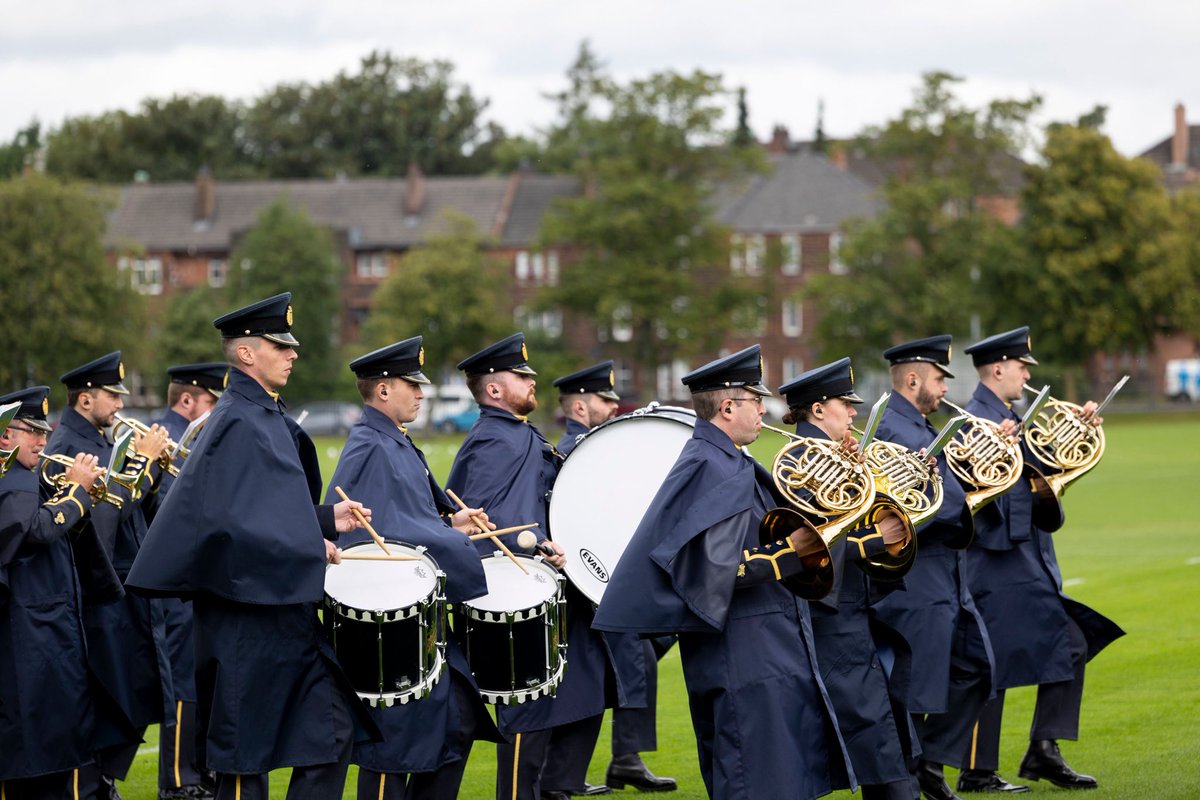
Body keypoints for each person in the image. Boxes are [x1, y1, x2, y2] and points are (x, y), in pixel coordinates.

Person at [126, 292, 378, 800]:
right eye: (279, 346)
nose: (293, 354)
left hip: (285, 616)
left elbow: (262, 508)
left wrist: (325, 520)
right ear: (246, 354)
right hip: (245, 624)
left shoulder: (261, 415)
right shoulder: (236, 420)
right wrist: (311, 543)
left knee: (332, 736)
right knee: (244, 766)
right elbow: (226, 527)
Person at [593, 345, 854, 800]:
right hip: (743, 654)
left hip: (769, 645)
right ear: (728, 407)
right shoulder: (705, 464)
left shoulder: (731, 460)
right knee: (754, 779)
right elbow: (706, 569)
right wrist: (794, 552)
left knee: (782, 775)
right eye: (756, 400)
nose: (764, 410)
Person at [323, 336, 503, 800]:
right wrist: (451, 541)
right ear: (384, 391)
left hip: (420, 622)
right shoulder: (369, 446)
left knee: (455, 726)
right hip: (388, 631)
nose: (421, 393)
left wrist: (448, 520)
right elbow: (368, 534)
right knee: (393, 748)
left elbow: (408, 516)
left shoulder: (395, 442)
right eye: (412, 384)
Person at [446, 333, 619, 800]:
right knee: (530, 719)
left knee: (585, 696)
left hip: (556, 594)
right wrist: (535, 548)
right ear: (495, 389)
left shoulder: (519, 434)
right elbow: (480, 524)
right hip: (518, 603)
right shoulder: (492, 441)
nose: (531, 381)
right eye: (521, 376)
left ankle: (556, 792)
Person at [954, 328, 1124, 793]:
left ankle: (1043, 749)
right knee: (993, 661)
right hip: (994, 558)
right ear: (998, 368)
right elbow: (980, 499)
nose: (1028, 373)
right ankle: (977, 768)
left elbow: (1044, 482)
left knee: (1069, 643)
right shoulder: (973, 421)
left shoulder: (1016, 416)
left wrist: (1079, 434)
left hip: (1028, 555)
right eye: (1021, 365)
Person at [778, 359, 918, 800]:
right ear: (818, 410)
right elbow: (812, 547)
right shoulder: (801, 463)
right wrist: (878, 540)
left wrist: (902, 481)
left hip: (853, 610)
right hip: (832, 620)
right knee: (871, 732)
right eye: (846, 404)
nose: (854, 413)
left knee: (882, 727)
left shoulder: (837, 455)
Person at [869, 336, 997, 800]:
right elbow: (920, 502)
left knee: (977, 668)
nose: (946, 386)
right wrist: (962, 495)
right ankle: (907, 775)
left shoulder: (920, 426)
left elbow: (946, 488)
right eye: (940, 378)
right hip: (916, 576)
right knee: (913, 685)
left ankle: (928, 764)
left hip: (948, 573)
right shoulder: (892, 430)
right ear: (912, 379)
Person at [46, 351, 174, 800]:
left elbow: (135, 509)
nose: (120, 405)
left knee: (131, 694)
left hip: (124, 587)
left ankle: (101, 780)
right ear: (85, 399)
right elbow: (101, 522)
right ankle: (91, 782)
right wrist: (137, 468)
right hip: (99, 594)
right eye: (111, 396)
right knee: (107, 698)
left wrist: (151, 471)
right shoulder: (67, 446)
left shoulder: (100, 439)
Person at [553, 361, 677, 794]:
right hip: (591, 580)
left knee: (640, 654)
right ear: (582, 404)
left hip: (612, 576)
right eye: (606, 400)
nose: (613, 406)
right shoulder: (576, 451)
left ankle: (621, 759)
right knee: (620, 664)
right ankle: (576, 769)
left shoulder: (600, 448)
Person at [0, 386, 104, 800]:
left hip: (42, 635)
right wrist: (77, 492)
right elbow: (38, 530)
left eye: (45, 431)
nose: (44, 441)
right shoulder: (14, 479)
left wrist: (72, 496)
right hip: (26, 640)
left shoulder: (23, 477)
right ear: (5, 434)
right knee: (33, 760)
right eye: (31, 431)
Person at [142, 363, 225, 800]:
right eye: (211, 402)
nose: (215, 411)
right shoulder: (161, 439)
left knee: (198, 678)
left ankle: (201, 770)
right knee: (180, 681)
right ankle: (177, 779)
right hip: (172, 578)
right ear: (188, 400)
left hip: (197, 576)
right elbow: (156, 507)